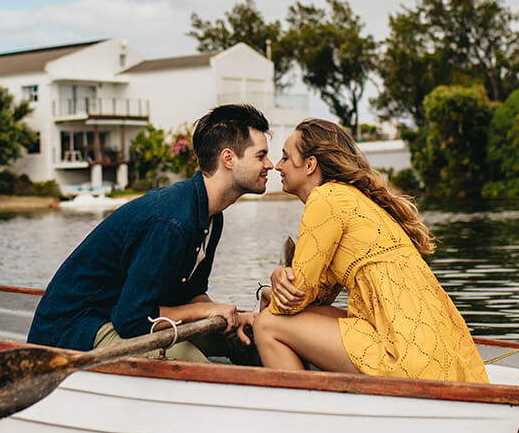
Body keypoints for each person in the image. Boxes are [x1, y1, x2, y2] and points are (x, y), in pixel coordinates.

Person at [27, 103, 273, 363]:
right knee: (191, 362)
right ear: (228, 159)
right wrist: (206, 309)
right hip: (78, 328)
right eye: (261, 155)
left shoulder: (211, 216)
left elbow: (191, 293)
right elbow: (132, 320)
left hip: (127, 315)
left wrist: (228, 315)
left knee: (246, 336)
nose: (270, 164)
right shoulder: (171, 221)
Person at [252, 118, 488, 382]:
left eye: (285, 156)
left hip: (401, 354)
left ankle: (303, 412)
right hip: (436, 350)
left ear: (310, 165)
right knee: (288, 313)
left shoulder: (325, 198)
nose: (277, 166)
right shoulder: (354, 199)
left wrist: (267, 298)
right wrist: (272, 291)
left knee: (267, 324)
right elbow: (316, 297)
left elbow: (294, 297)